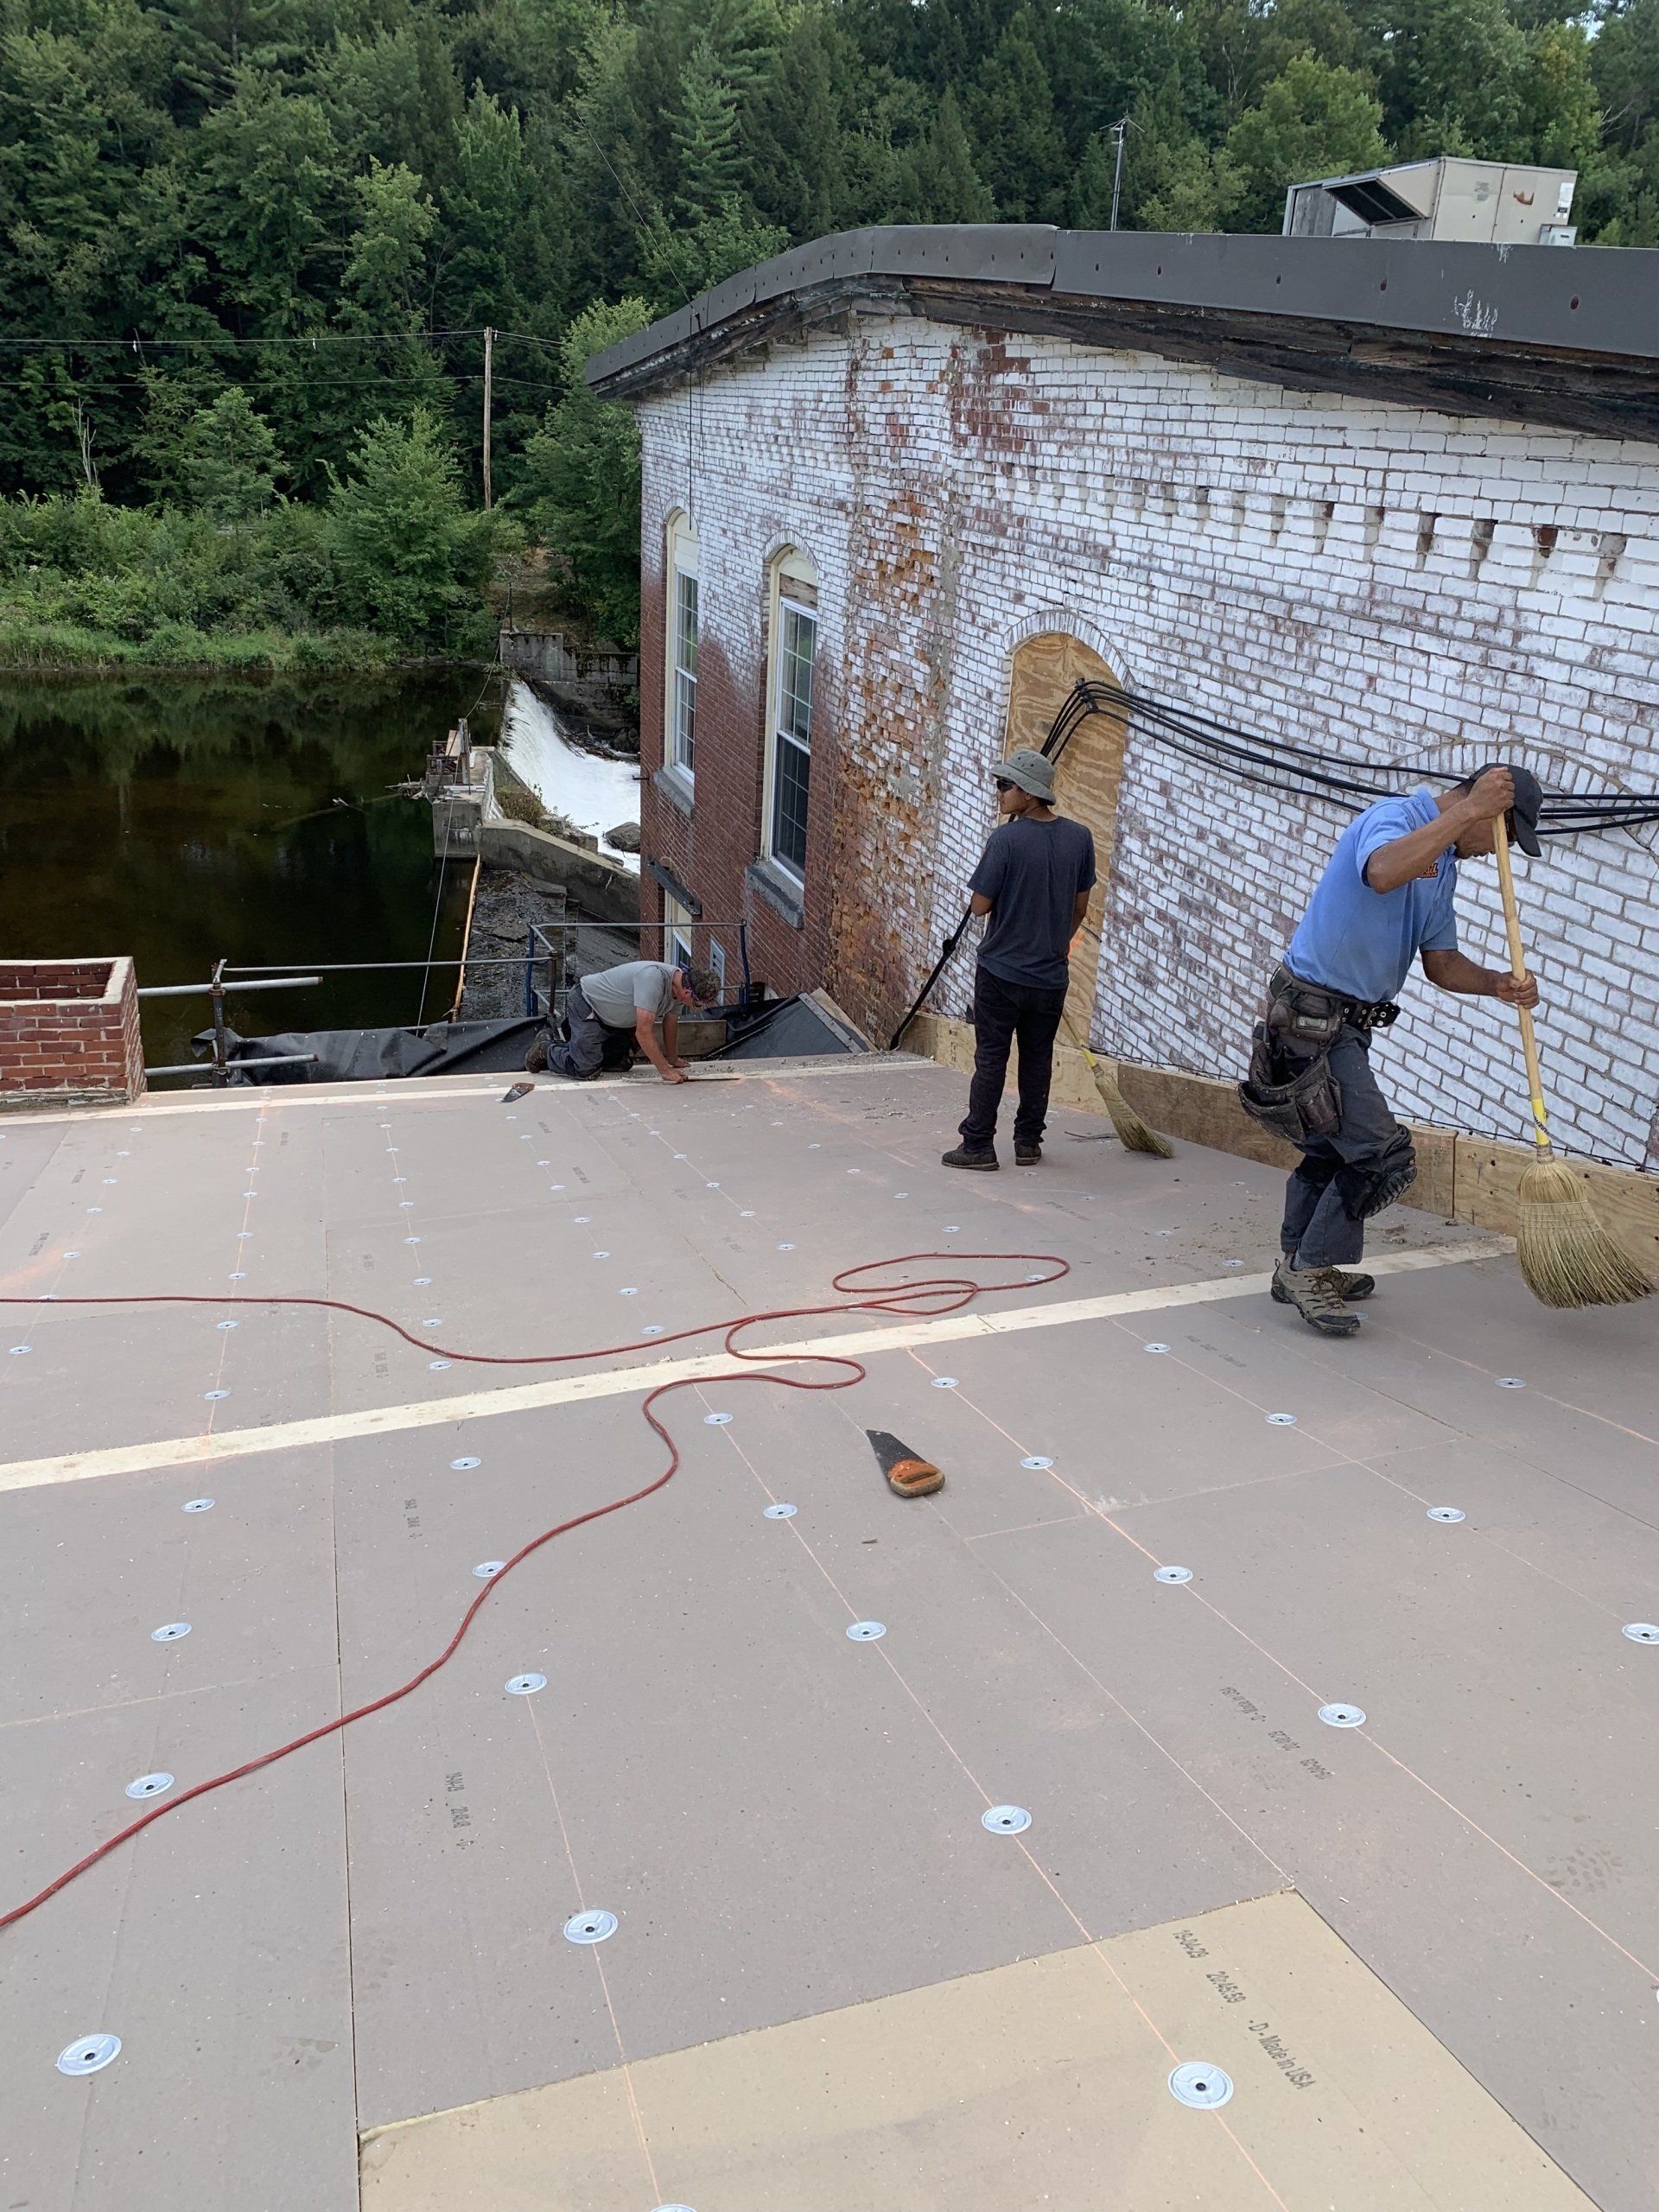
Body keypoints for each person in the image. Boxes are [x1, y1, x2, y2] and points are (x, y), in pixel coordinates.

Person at [1240, 764, 1542, 1338]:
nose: (1491, 852)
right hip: (1311, 1016)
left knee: (1335, 1150)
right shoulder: (1395, 818)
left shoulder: (1443, 865)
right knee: (1383, 1157)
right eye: (1504, 837)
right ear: (1489, 813)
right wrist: (1467, 812)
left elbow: (1442, 964)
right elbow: (1381, 873)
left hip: (1345, 1027)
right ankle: (1308, 1271)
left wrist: (1498, 983)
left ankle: (1297, 1265)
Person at [942, 747, 1096, 1172]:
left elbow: (979, 906)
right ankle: (1028, 1142)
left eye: (1004, 786)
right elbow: (1080, 907)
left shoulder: (1005, 840)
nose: (999, 793)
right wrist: (1053, 942)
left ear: (1029, 794)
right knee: (1037, 1057)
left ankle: (977, 1146)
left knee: (991, 1057)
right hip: (1050, 977)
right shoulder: (1080, 838)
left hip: (1000, 973)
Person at [528, 959, 719, 1084]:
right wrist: (664, 1071)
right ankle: (546, 1048)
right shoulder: (653, 979)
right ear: (688, 992)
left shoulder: (678, 988)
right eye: (695, 1003)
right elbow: (643, 1032)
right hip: (588, 1005)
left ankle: (582, 1047)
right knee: (584, 1069)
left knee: (622, 1063)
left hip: (613, 1019)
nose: (694, 1006)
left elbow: (671, 1022)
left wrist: (672, 1059)